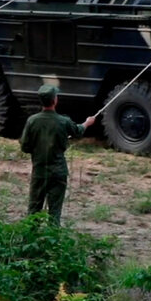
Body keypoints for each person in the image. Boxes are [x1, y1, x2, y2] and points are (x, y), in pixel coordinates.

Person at [19, 84, 96, 225]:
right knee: (55, 212)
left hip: (39, 172)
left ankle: (29, 240)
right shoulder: (63, 121)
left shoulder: (32, 121)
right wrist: (87, 123)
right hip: (58, 172)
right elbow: (78, 131)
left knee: (34, 210)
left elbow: (25, 146)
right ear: (55, 100)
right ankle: (52, 241)